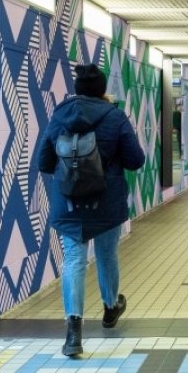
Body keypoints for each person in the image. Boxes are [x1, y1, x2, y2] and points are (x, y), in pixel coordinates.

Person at [37, 63, 146, 357]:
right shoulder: (115, 116)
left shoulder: (59, 116)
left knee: (74, 260)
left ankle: (74, 331)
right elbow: (136, 160)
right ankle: (110, 308)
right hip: (106, 202)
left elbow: (43, 163)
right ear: (101, 90)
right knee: (106, 254)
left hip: (68, 204)